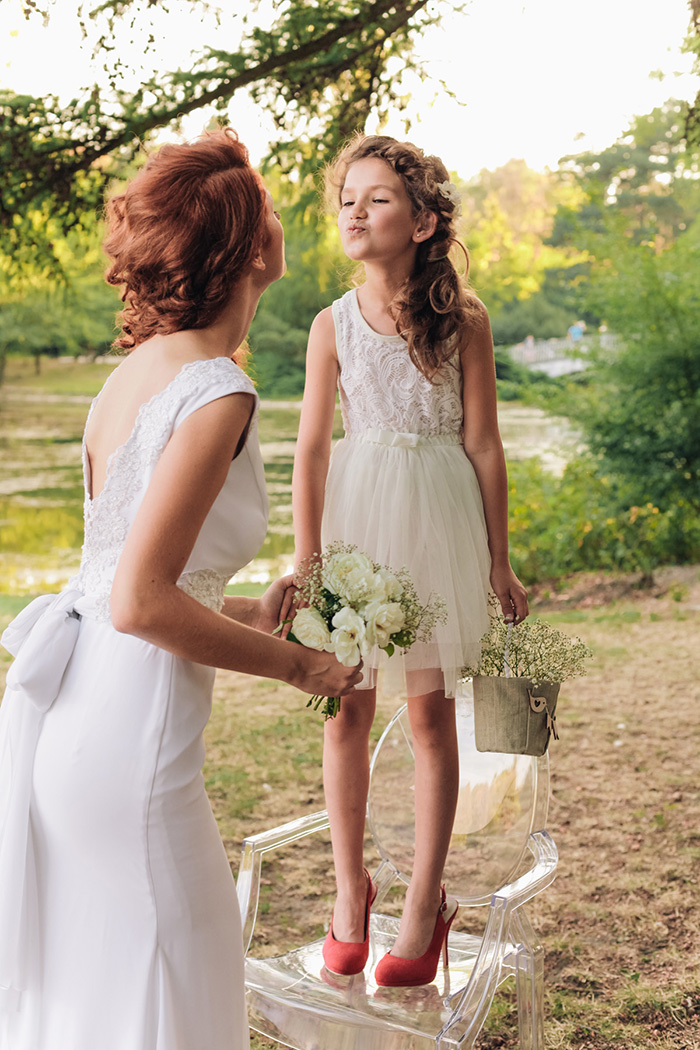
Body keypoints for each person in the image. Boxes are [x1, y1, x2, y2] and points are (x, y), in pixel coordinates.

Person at [0, 128, 361, 1050]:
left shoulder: (133, 375)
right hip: (133, 749)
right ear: (246, 249)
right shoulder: (213, 391)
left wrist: (245, 608)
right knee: (184, 979)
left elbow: (128, 575)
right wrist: (297, 667)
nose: (284, 219)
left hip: (76, 729)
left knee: (108, 987)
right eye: (271, 208)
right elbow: (140, 601)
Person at [292, 135, 528, 987]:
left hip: (436, 521)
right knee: (344, 707)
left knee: (430, 718)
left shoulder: (464, 319)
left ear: (424, 220)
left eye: (378, 198)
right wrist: (307, 559)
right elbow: (312, 448)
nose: (356, 209)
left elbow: (485, 444)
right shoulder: (330, 324)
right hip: (357, 522)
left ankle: (425, 905)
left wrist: (500, 561)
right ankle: (349, 894)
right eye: (347, 197)